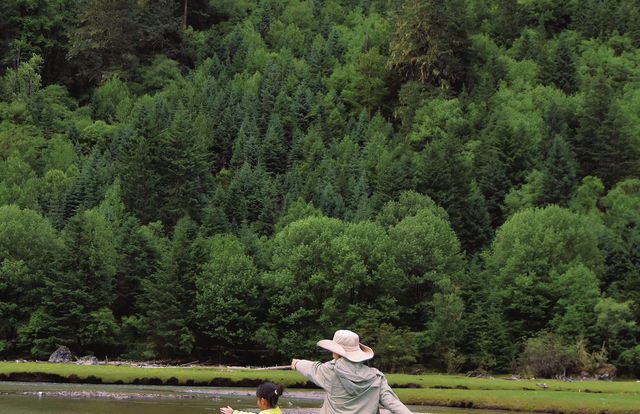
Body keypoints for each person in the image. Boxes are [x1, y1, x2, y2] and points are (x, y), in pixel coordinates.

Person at [291, 329, 413, 414]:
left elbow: (312, 368)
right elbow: (395, 405)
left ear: (337, 351)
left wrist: (297, 363)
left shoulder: (329, 371)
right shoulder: (376, 378)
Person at [220, 382, 284, 414]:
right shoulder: (278, 411)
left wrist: (233, 412)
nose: (257, 403)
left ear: (263, 401)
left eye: (257, 400)